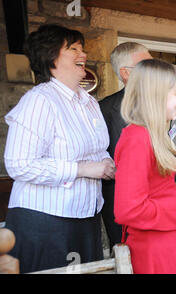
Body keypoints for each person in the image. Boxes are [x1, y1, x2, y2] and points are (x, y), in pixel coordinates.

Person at [3, 24, 115, 273]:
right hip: (46, 220)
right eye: (73, 49)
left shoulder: (89, 103)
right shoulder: (39, 100)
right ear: (51, 56)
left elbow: (98, 151)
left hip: (86, 217)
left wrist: (108, 165)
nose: (83, 55)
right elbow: (19, 165)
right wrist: (83, 169)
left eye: (82, 48)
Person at [114, 59, 176, 274]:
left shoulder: (151, 135)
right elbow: (128, 210)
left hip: (164, 240)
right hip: (153, 247)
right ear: (156, 94)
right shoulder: (137, 137)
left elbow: (156, 190)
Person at [99, 42, 152, 248]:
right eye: (146, 64)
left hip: (157, 199)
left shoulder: (164, 103)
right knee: (126, 257)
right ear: (126, 73)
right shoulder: (103, 109)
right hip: (119, 200)